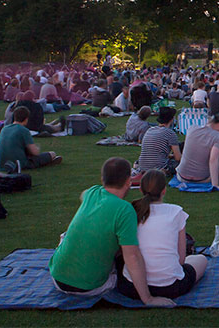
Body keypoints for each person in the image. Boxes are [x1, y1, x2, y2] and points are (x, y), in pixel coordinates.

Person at [49, 158, 175, 306]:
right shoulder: (125, 210)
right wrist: (148, 299)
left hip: (57, 277)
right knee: (125, 262)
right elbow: (132, 257)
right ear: (129, 182)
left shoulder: (92, 193)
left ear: (103, 179)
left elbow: (84, 195)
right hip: (88, 287)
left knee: (67, 235)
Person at [117, 169, 207, 300]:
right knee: (201, 259)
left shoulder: (131, 212)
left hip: (131, 287)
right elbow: (181, 260)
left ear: (141, 190)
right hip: (170, 286)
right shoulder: (176, 212)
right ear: (163, 190)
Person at [0, 106, 62, 173]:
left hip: (3, 165)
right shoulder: (24, 130)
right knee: (52, 154)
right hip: (21, 164)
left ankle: (47, 161)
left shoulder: (4, 129)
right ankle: (49, 161)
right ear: (26, 119)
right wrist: (37, 148)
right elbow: (35, 152)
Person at [175, 113, 219, 188]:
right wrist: (215, 185)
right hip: (202, 179)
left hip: (181, 177)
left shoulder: (192, 128)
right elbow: (213, 160)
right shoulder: (218, 137)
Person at [137, 107, 180, 173]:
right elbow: (178, 158)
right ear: (172, 119)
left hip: (143, 166)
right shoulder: (170, 133)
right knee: (182, 165)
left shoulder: (150, 130)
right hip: (159, 168)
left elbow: (154, 150)